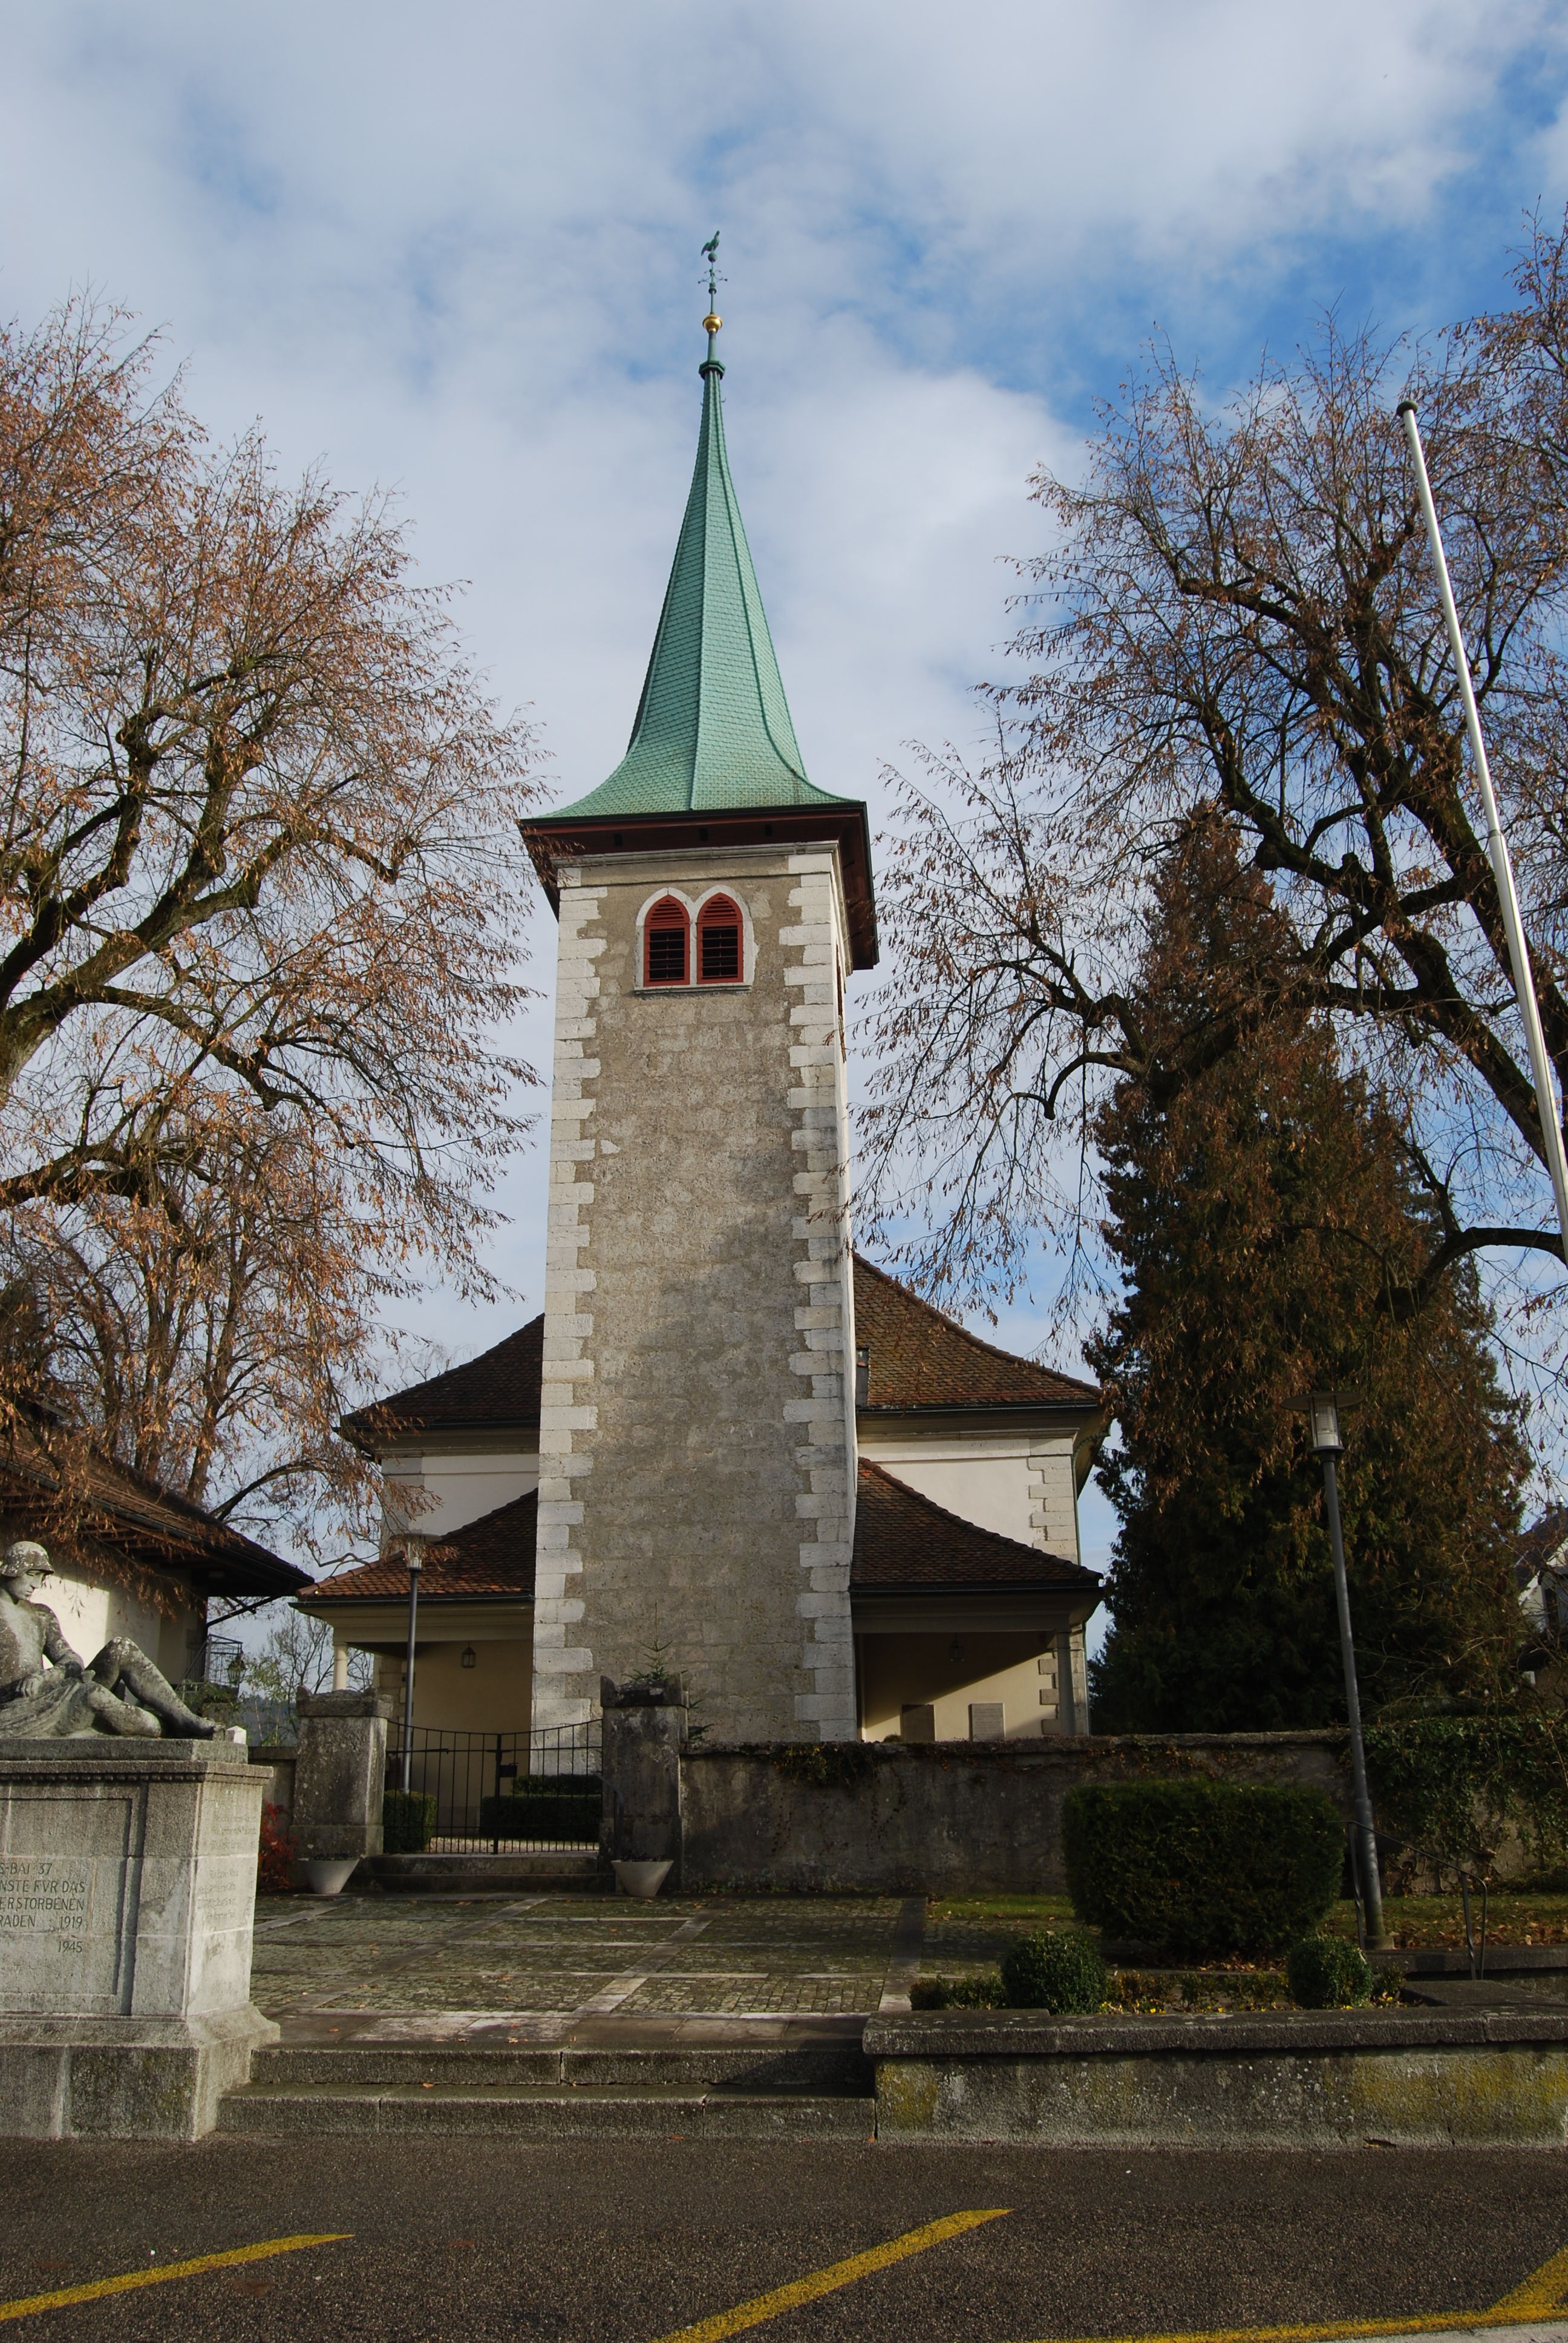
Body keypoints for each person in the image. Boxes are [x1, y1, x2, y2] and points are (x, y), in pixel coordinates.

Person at [0, 1541, 217, 1738]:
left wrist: (45, 1678)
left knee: (121, 1649)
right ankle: (165, 1728)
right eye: (32, 1574)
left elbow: (72, 1661)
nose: (37, 1585)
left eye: (42, 1577)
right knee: (93, 1695)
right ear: (12, 1571)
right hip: (16, 1711)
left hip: (51, 1692)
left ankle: (183, 1717)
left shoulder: (41, 1615)